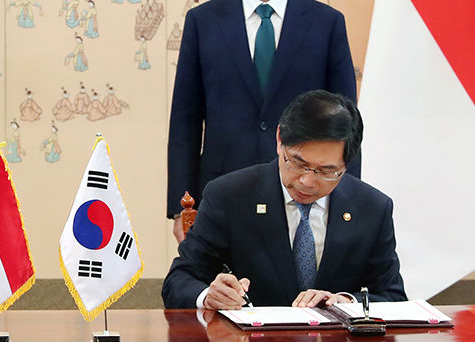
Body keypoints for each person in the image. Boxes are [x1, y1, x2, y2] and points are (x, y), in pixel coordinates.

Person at [167, 0, 357, 242]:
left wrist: (347, 201)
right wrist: (181, 205)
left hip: (305, 189)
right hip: (222, 190)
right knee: (223, 291)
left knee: (300, 292)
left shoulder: (326, 24)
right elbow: (185, 120)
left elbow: (346, 124)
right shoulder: (203, 23)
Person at [163, 91, 404, 309]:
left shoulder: (372, 207)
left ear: (346, 164)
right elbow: (179, 281)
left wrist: (347, 302)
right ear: (279, 140)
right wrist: (209, 295)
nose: (307, 181)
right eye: (298, 163)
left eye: (326, 171)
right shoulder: (228, 196)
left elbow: (393, 296)